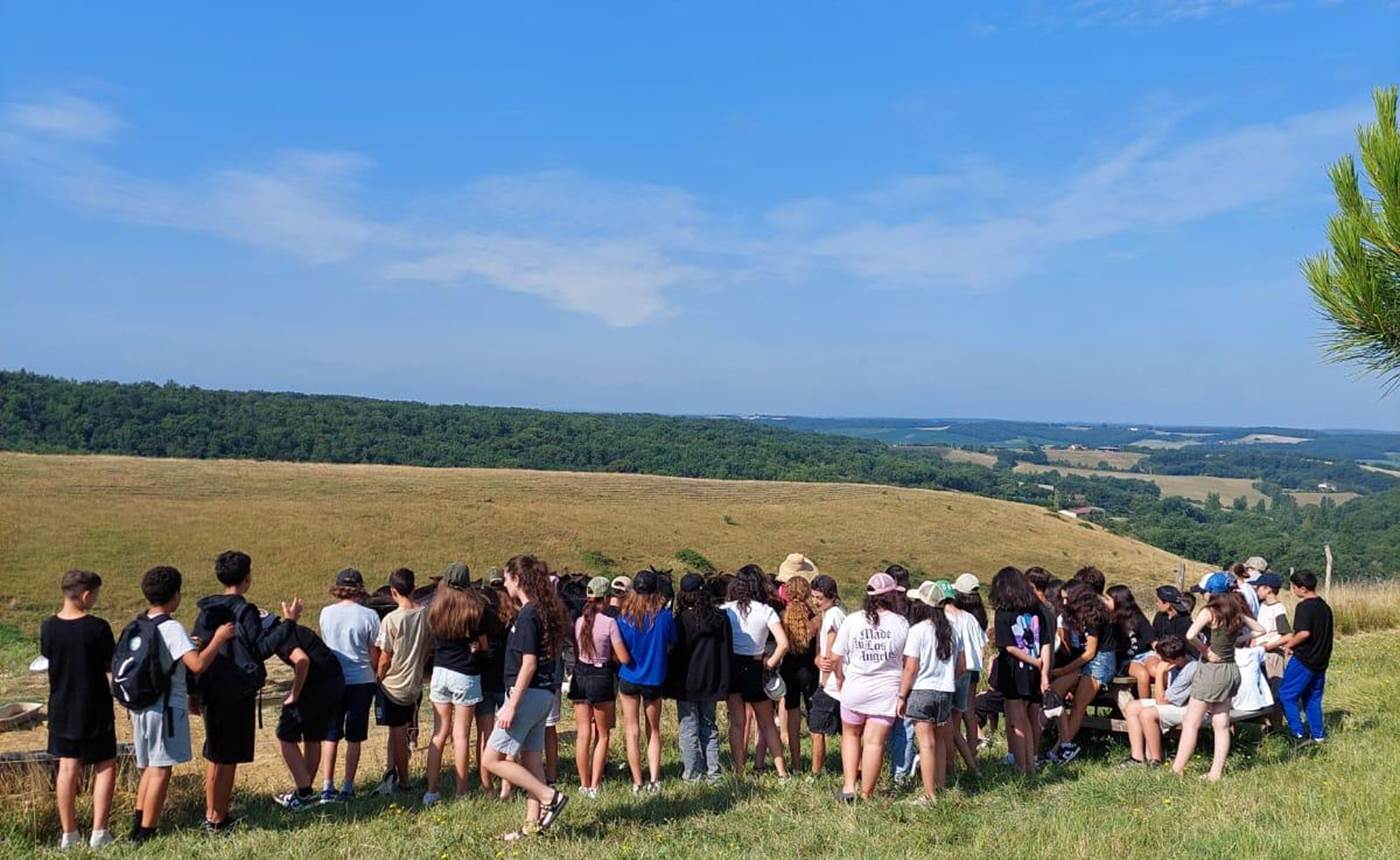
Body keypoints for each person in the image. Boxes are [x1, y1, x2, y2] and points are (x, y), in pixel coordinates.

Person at [192, 550, 302, 834]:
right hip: (237, 691)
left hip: (210, 690)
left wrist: (194, 691)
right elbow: (261, 650)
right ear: (247, 579)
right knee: (227, 758)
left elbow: (197, 649)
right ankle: (218, 819)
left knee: (214, 754)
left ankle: (211, 812)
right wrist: (289, 623)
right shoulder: (245, 610)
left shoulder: (206, 611)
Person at [121, 566, 233, 843]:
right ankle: (147, 833)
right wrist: (218, 638)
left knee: (148, 767)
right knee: (162, 768)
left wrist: (188, 645)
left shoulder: (138, 623)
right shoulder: (171, 627)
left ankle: (138, 822)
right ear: (175, 596)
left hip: (140, 705)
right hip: (166, 707)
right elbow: (196, 665)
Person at [483, 555, 572, 842]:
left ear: (517, 579)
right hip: (544, 694)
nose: (505, 584)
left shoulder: (528, 615)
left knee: (491, 759)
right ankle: (532, 826)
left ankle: (551, 796)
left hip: (527, 695)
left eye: (507, 578)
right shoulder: (544, 611)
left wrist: (511, 705)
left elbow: (529, 664)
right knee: (533, 762)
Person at [41, 570, 118, 850]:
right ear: (86, 595)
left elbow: (49, 656)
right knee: (105, 764)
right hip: (94, 705)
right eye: (95, 595)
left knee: (67, 766)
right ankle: (99, 831)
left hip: (61, 706)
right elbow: (111, 663)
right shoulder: (97, 627)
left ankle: (69, 833)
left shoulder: (48, 626)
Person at [1171, 573, 1265, 781]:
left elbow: (1189, 635)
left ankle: (1177, 769)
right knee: (1221, 723)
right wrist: (1240, 639)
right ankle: (1216, 772)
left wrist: (1205, 650)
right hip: (1231, 669)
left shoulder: (1209, 611)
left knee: (1191, 722)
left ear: (1211, 593)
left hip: (1212, 671)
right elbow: (1260, 629)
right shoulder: (1236, 611)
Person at [831, 572, 910, 801]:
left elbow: (836, 657)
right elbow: (907, 661)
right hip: (886, 691)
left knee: (850, 735)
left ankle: (848, 787)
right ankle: (866, 793)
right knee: (874, 743)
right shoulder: (901, 623)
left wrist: (839, 677)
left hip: (855, 686)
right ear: (891, 596)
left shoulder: (853, 620)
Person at [424, 563, 488, 805]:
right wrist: (475, 646)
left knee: (438, 733)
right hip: (465, 672)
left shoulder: (434, 607)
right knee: (461, 735)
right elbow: (482, 645)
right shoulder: (475, 608)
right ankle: (461, 791)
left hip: (440, 671)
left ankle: (431, 790)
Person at [897, 582, 964, 805]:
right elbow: (962, 665)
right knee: (940, 740)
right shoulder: (952, 630)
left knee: (925, 743)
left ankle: (928, 794)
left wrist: (901, 695)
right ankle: (940, 785)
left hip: (921, 690)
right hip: (945, 690)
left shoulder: (918, 631)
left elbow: (910, 668)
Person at [317, 568, 381, 802]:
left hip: (333, 679)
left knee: (331, 734)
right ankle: (348, 786)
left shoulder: (326, 613)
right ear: (360, 588)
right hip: (361, 680)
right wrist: (376, 673)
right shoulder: (369, 615)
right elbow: (373, 651)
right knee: (355, 736)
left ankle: (326, 785)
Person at [721, 566, 791, 777]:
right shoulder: (765, 610)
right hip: (755, 665)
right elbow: (783, 644)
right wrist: (769, 664)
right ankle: (782, 772)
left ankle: (739, 770)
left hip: (733, 667)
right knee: (767, 723)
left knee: (737, 722)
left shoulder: (726, 609)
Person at [271, 615, 345, 810]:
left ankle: (304, 792)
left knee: (285, 735)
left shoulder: (281, 639)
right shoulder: (295, 630)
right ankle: (307, 795)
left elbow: (302, 661)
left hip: (317, 686)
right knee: (313, 736)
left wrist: (294, 694)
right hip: (333, 682)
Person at [615, 569, 677, 791]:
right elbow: (672, 643)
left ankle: (637, 781)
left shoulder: (623, 617)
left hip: (629, 675)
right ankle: (654, 778)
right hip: (654, 677)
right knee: (654, 729)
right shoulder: (664, 617)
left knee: (631, 730)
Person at [373, 567, 432, 796]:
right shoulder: (426, 615)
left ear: (392, 591)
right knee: (405, 730)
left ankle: (404, 780)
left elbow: (385, 657)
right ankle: (391, 771)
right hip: (415, 684)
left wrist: (379, 678)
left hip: (394, 686)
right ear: (414, 588)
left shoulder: (391, 620)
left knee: (397, 733)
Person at [990, 566, 1053, 776]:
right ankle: (1031, 764)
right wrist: (1043, 672)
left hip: (1015, 672)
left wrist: (1033, 662)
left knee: (1018, 721)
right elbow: (1046, 642)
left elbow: (1008, 646)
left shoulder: (1003, 612)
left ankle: (1023, 766)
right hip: (1036, 673)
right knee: (1031, 718)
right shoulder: (1038, 610)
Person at [669, 572, 731, 782]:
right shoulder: (720, 618)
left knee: (688, 727)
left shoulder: (680, 620)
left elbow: (674, 653)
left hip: (686, 682)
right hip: (712, 680)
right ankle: (713, 771)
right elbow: (726, 650)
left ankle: (692, 773)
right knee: (709, 725)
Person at [570, 576, 628, 796]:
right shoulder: (609, 623)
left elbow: (576, 653)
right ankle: (595, 784)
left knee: (582, 734)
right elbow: (622, 657)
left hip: (580, 675)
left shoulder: (578, 622)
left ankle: (583, 784)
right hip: (601, 675)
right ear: (605, 599)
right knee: (602, 734)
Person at [1046, 581, 1113, 764]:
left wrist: (1064, 671)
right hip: (1086, 660)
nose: (1065, 603)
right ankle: (1053, 744)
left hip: (1100, 661)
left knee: (1078, 705)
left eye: (1068, 599)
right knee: (1053, 692)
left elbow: (1090, 652)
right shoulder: (1081, 613)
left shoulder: (1094, 616)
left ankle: (1061, 748)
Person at [1274, 570, 1334, 744]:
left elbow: (1304, 633)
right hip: (1320, 661)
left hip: (1304, 660)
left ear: (1302, 588)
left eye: (1293, 587)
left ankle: (1298, 734)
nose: (1292, 590)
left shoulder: (1304, 606)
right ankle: (1318, 735)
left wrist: (1289, 644)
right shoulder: (1324, 606)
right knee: (1312, 699)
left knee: (1286, 695)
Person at [1120, 635, 1196, 766]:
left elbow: (1162, 701)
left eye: (1164, 659)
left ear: (1177, 659)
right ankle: (1137, 757)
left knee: (1147, 714)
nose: (1160, 661)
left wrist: (1160, 672)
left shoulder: (1190, 668)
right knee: (1132, 707)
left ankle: (1155, 759)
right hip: (1174, 703)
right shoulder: (1176, 665)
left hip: (1189, 708)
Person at [943, 577, 987, 770]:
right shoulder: (972, 617)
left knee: (950, 720)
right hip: (972, 668)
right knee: (967, 713)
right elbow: (982, 644)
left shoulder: (948, 617)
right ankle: (972, 755)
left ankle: (952, 761)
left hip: (955, 669)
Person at [778, 575, 819, 774]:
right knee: (814, 719)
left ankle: (796, 765)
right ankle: (815, 766)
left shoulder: (782, 615)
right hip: (810, 670)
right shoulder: (814, 616)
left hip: (789, 670)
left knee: (793, 718)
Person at [808, 574, 846, 775]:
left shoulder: (832, 616)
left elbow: (830, 649)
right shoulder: (839, 613)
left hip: (830, 682)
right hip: (839, 681)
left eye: (819, 598)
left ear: (831, 596)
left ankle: (816, 772)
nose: (815, 602)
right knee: (845, 730)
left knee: (816, 729)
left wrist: (822, 682)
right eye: (813, 597)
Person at [1250, 572, 1291, 719]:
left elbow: (1287, 635)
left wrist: (1268, 646)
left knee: (1275, 691)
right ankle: (1268, 724)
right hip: (1260, 653)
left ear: (1268, 589)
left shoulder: (1278, 609)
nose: (1257, 590)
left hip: (1272, 655)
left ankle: (1277, 725)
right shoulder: (1263, 606)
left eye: (1259, 587)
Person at [1108, 585, 1156, 698]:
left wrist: (1163, 656)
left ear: (1118, 600)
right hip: (1125, 660)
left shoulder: (1137, 616)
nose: (1105, 601)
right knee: (1142, 674)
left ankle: (1163, 707)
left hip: (1145, 654)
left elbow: (1152, 640)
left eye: (1108, 599)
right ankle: (1145, 709)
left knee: (1157, 671)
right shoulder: (1109, 620)